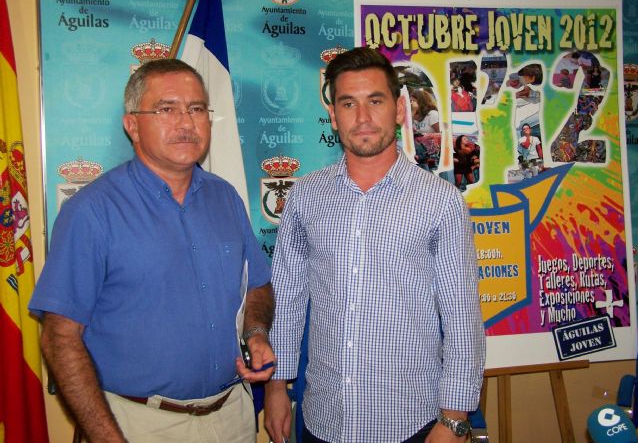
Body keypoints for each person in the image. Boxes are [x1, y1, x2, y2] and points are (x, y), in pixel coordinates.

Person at [29, 59, 275, 443]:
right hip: (138, 423)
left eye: (196, 109)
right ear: (132, 125)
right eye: (166, 109)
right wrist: (107, 437)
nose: (186, 122)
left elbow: (257, 285)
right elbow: (60, 338)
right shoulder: (92, 212)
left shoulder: (225, 198)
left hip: (231, 416)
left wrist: (256, 333)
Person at [264, 47, 485, 443]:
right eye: (348, 103)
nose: (362, 117)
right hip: (323, 420)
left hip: (412, 423)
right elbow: (288, 297)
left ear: (399, 109)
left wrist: (454, 419)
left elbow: (462, 317)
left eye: (376, 101)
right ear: (334, 116)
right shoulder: (305, 197)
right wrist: (276, 386)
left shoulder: (441, 201)